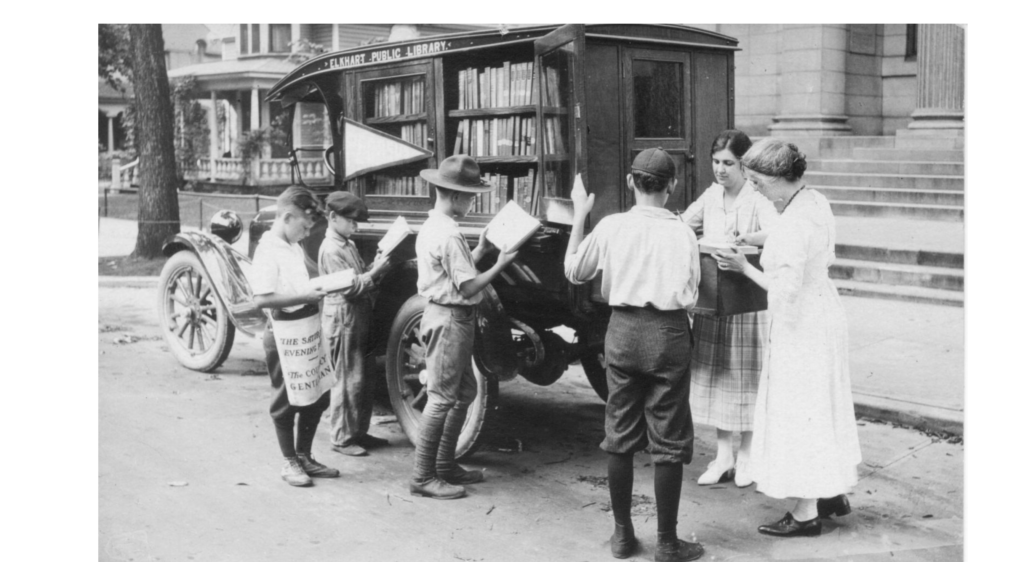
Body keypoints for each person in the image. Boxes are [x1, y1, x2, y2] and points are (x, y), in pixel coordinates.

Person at [714, 140, 861, 537]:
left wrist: (744, 267)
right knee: (823, 404)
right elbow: (785, 234)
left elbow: (783, 291)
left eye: (760, 182)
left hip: (801, 322)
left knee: (798, 410)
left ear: (780, 179)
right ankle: (831, 493)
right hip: (823, 311)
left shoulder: (795, 220)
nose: (757, 189)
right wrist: (753, 240)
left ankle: (804, 512)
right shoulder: (811, 200)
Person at [565, 149, 704, 562]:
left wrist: (578, 214)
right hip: (668, 333)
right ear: (672, 186)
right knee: (670, 438)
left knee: (620, 434)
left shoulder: (611, 227)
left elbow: (574, 270)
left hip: (622, 331)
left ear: (630, 182)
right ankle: (666, 542)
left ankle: (622, 536)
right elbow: (692, 294)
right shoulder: (683, 233)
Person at [410, 155, 519, 500]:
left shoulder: (434, 226)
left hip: (446, 315)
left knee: (465, 392)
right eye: (470, 196)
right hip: (450, 318)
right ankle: (423, 475)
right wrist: (500, 263)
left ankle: (444, 465)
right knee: (442, 398)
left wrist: (483, 249)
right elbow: (469, 287)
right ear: (455, 196)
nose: (473, 202)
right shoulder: (449, 234)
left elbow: (453, 271)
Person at [679, 130, 778, 488]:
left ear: (743, 163)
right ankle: (723, 456)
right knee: (719, 375)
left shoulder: (756, 196)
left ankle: (748, 455)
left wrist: (748, 240)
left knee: (746, 376)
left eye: (729, 164)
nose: (720, 170)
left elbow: (778, 231)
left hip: (747, 301)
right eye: (716, 162)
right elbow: (682, 226)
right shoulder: (711, 195)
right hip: (713, 300)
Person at [251, 185, 340, 487]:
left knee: (317, 394)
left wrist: (328, 282)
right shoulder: (268, 249)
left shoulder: (292, 245)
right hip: (283, 332)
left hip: (307, 328)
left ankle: (304, 455)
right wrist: (304, 294)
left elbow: (303, 279)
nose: (306, 233)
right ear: (287, 217)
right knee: (287, 398)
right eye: (303, 226)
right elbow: (262, 299)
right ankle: (289, 460)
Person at [318, 191, 393, 457]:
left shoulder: (345, 243)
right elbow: (350, 287)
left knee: (362, 379)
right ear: (333, 217)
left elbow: (358, 276)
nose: (355, 226)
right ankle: (341, 437)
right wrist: (376, 272)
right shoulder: (331, 249)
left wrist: (373, 267)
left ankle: (358, 432)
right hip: (343, 319)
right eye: (351, 220)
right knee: (347, 379)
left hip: (354, 317)